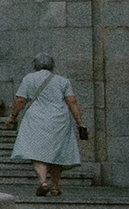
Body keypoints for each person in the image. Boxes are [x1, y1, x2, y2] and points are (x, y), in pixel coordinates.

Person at [11, 52, 83, 195]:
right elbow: (72, 102)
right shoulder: (63, 81)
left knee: (37, 152)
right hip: (59, 120)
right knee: (58, 152)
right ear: (52, 66)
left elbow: (21, 101)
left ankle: (43, 182)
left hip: (36, 119)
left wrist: (13, 115)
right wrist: (80, 123)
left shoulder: (29, 79)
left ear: (35, 66)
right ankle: (55, 186)